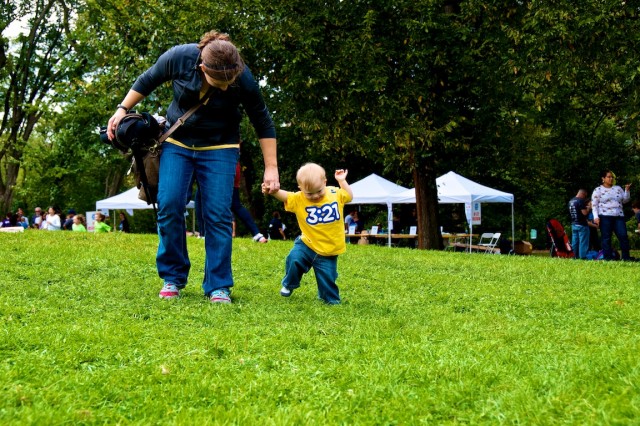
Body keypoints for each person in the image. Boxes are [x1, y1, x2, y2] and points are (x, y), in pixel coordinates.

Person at [106, 30, 279, 303]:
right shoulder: (180, 57)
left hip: (221, 146)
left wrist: (272, 168)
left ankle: (218, 285)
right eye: (218, 81)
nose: (224, 87)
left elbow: (262, 120)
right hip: (178, 141)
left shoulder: (242, 76)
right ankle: (172, 277)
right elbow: (148, 79)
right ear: (201, 67)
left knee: (218, 214)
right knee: (169, 203)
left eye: (228, 82)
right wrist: (121, 109)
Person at [263, 163, 353, 304]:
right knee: (293, 259)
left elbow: (349, 195)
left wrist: (342, 181)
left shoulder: (335, 193)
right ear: (301, 189)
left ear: (325, 182)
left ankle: (330, 300)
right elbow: (285, 196)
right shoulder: (299, 198)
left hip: (328, 250)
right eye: (309, 193)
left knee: (327, 279)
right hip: (307, 244)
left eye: (319, 191)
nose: (315, 196)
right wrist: (273, 191)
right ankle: (289, 283)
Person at [591, 170, 632, 260]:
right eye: (608, 177)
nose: (611, 179)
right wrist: (596, 217)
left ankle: (626, 257)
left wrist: (627, 191)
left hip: (619, 216)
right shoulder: (598, 190)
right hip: (605, 216)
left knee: (623, 236)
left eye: (612, 177)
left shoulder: (617, 188)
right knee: (606, 238)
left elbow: (625, 200)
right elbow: (594, 205)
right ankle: (608, 258)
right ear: (603, 178)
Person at [231, 161, 267, 242]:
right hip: (233, 164)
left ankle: (203, 233)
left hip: (222, 165)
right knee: (236, 205)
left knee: (203, 195)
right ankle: (257, 234)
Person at [568, 189, 589, 259]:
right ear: (582, 194)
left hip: (574, 224)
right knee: (583, 242)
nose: (585, 198)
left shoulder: (570, 201)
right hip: (582, 225)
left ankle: (573, 256)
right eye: (585, 196)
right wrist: (589, 208)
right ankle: (582, 257)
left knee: (575, 242)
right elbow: (584, 213)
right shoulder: (580, 201)